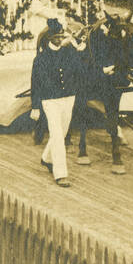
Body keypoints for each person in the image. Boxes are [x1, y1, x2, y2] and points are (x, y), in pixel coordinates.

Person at [29, 19, 81, 188]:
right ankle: (60, 174)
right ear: (50, 37)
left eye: (61, 36)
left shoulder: (69, 53)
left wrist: (75, 45)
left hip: (68, 97)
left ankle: (46, 158)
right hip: (50, 100)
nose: (60, 39)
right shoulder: (41, 59)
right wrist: (35, 106)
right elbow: (35, 84)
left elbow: (78, 66)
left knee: (62, 132)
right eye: (57, 37)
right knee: (57, 135)